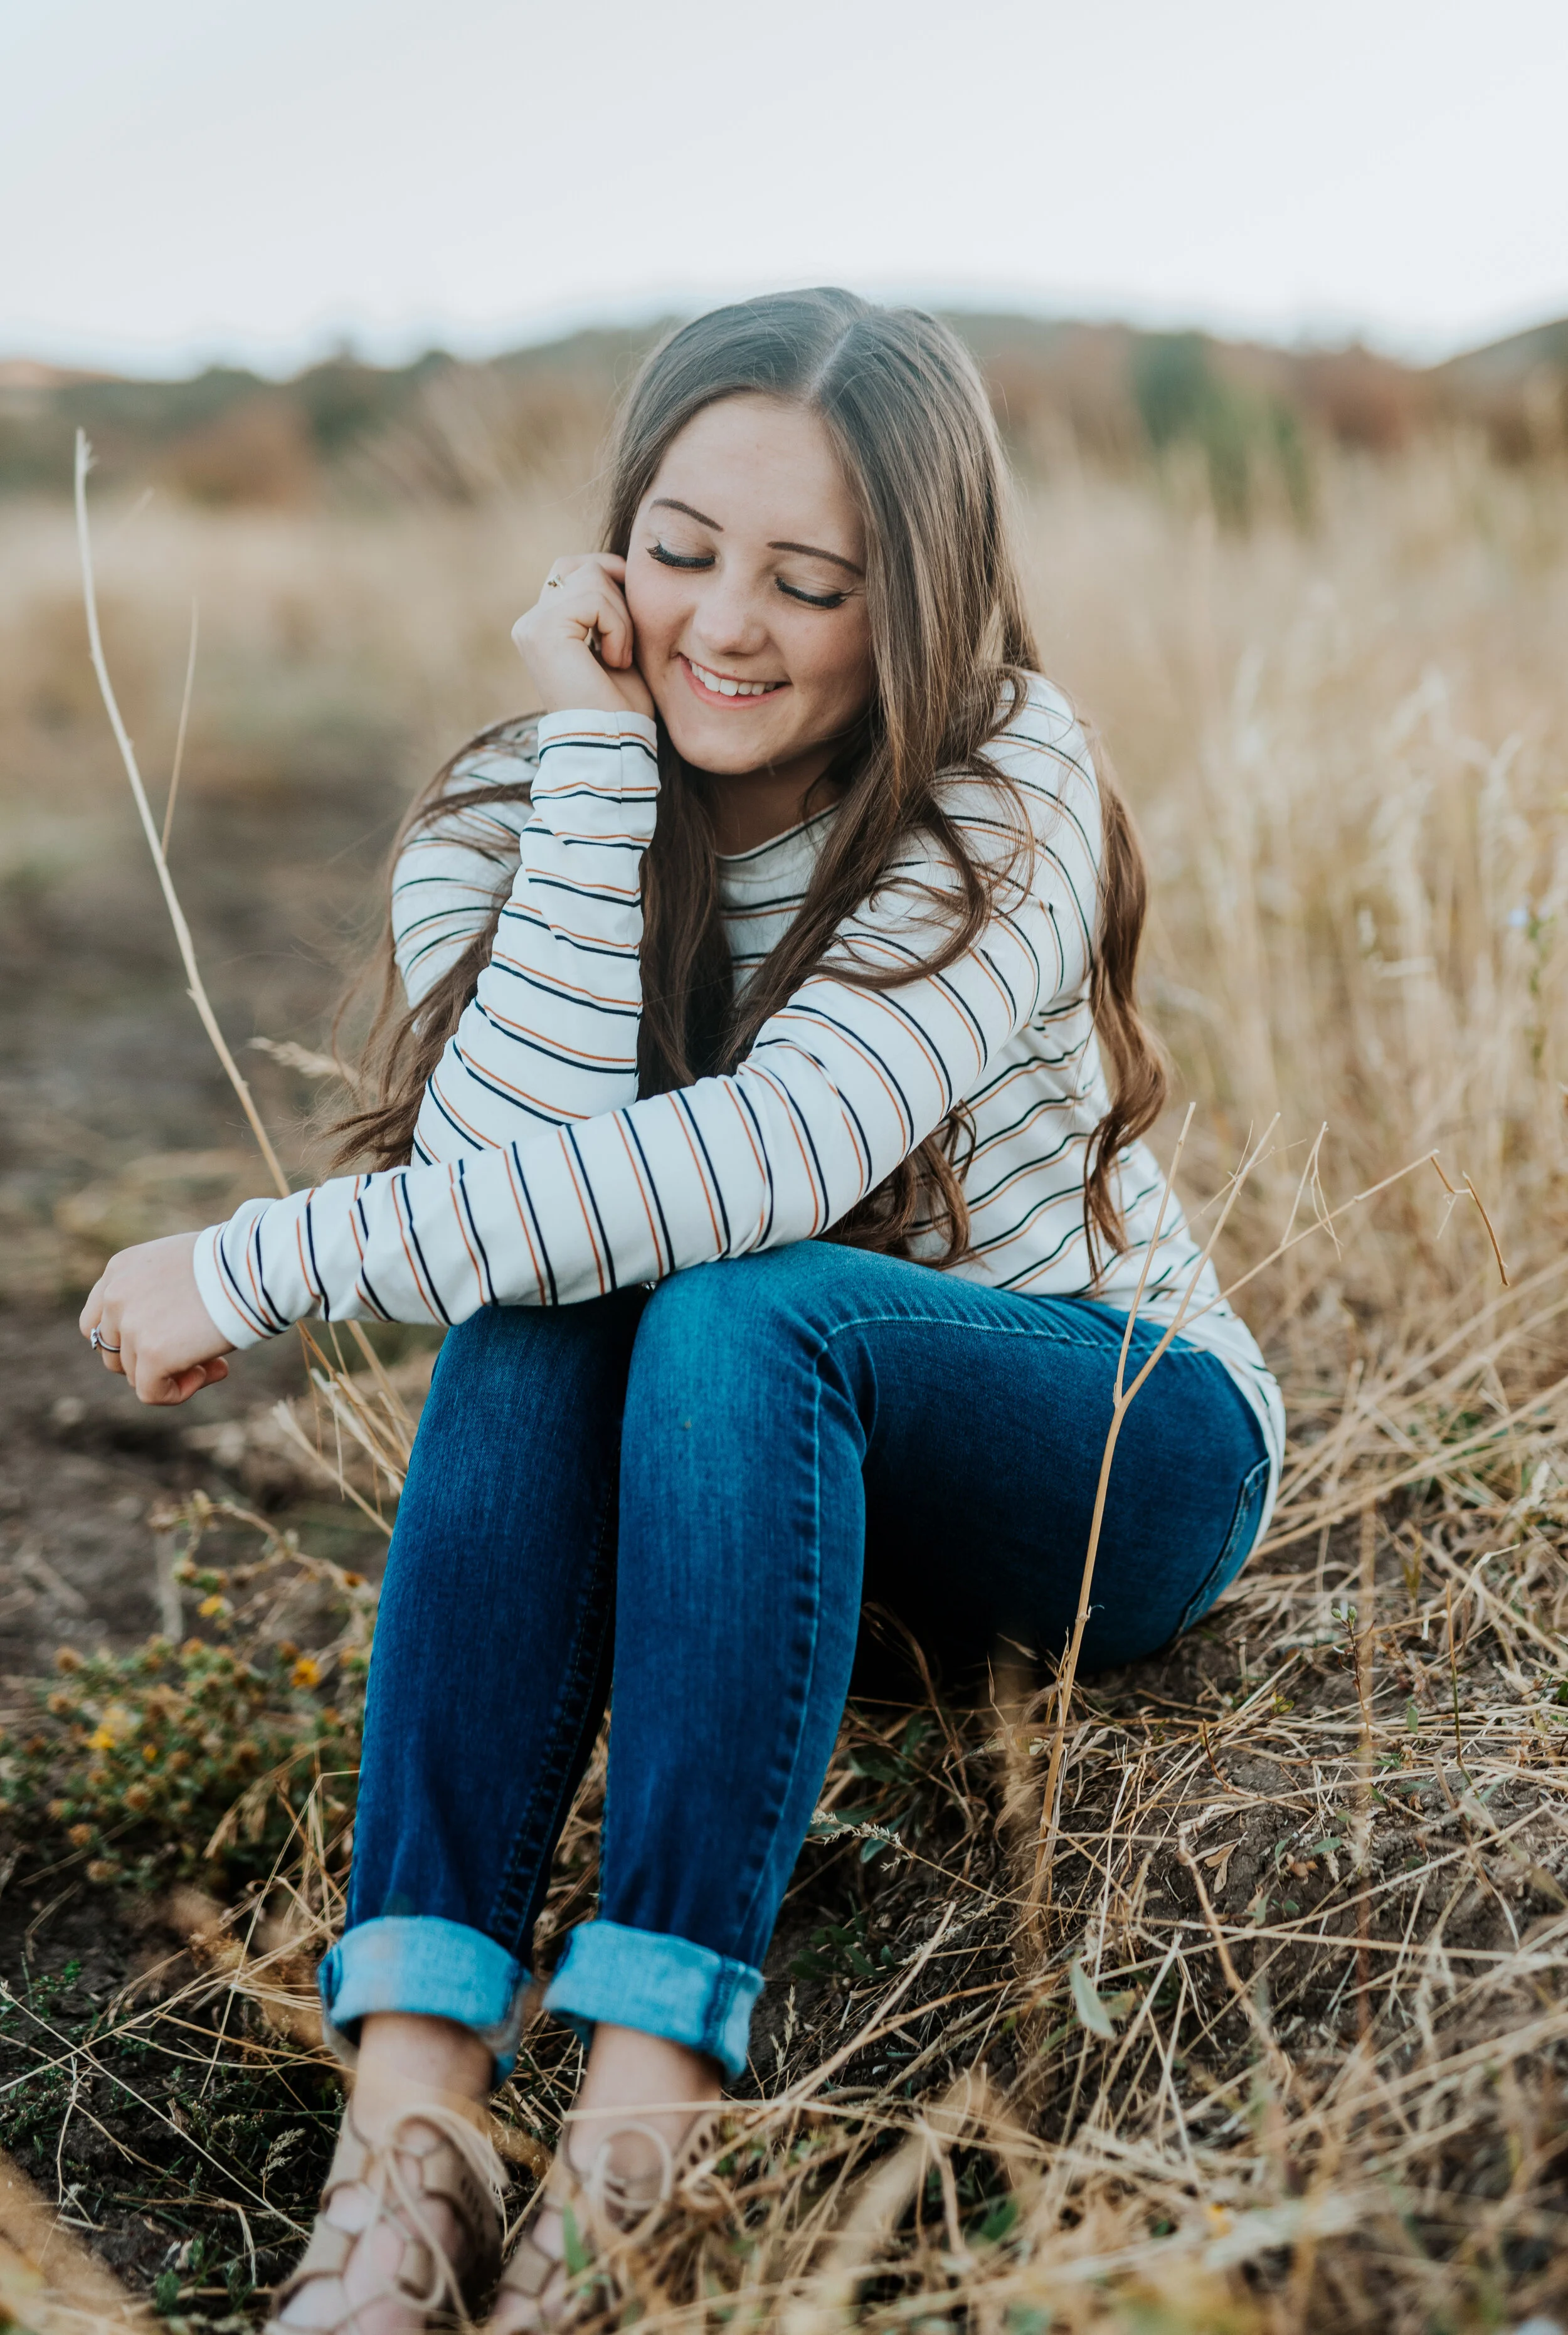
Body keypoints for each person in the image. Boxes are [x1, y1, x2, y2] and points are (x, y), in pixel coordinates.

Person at [81, 289, 1283, 2334]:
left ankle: (634, 2164)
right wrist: (595, 768)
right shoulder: (511, 806)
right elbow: (502, 1194)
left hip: (1102, 1447)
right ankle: (405, 2158)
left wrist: (261, 1261)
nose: (727, 625)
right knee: (547, 1304)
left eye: (809, 583)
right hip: (757, 1522)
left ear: (917, 601)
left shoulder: (1002, 775)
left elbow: (773, 1161)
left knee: (736, 1297)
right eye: (680, 550)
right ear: (607, 542)